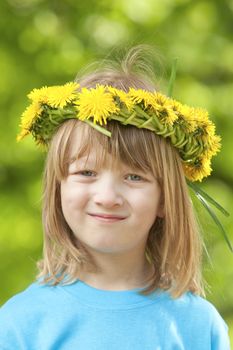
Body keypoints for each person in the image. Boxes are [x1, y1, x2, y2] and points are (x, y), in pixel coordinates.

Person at [0, 46, 231, 349]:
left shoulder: (198, 326)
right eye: (86, 173)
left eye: (134, 177)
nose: (108, 197)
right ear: (59, 187)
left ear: (165, 199)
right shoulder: (20, 324)